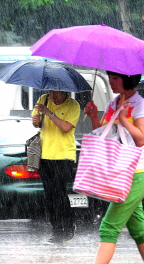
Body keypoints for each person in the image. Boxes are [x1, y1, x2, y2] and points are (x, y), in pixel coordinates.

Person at [84, 71, 144, 264]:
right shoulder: (112, 103)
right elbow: (103, 134)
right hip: (117, 174)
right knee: (140, 232)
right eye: (109, 77)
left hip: (134, 176)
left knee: (108, 228)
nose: (110, 82)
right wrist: (93, 116)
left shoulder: (142, 105)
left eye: (115, 78)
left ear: (127, 79)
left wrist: (125, 119)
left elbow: (141, 139)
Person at [32, 90, 80, 244]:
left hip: (64, 155)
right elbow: (36, 123)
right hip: (45, 155)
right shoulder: (43, 99)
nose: (52, 95)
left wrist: (49, 113)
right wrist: (36, 120)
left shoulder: (73, 105)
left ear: (65, 91)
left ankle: (68, 226)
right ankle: (57, 230)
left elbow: (66, 127)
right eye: (50, 91)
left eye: (56, 92)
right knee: (50, 195)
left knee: (59, 193)